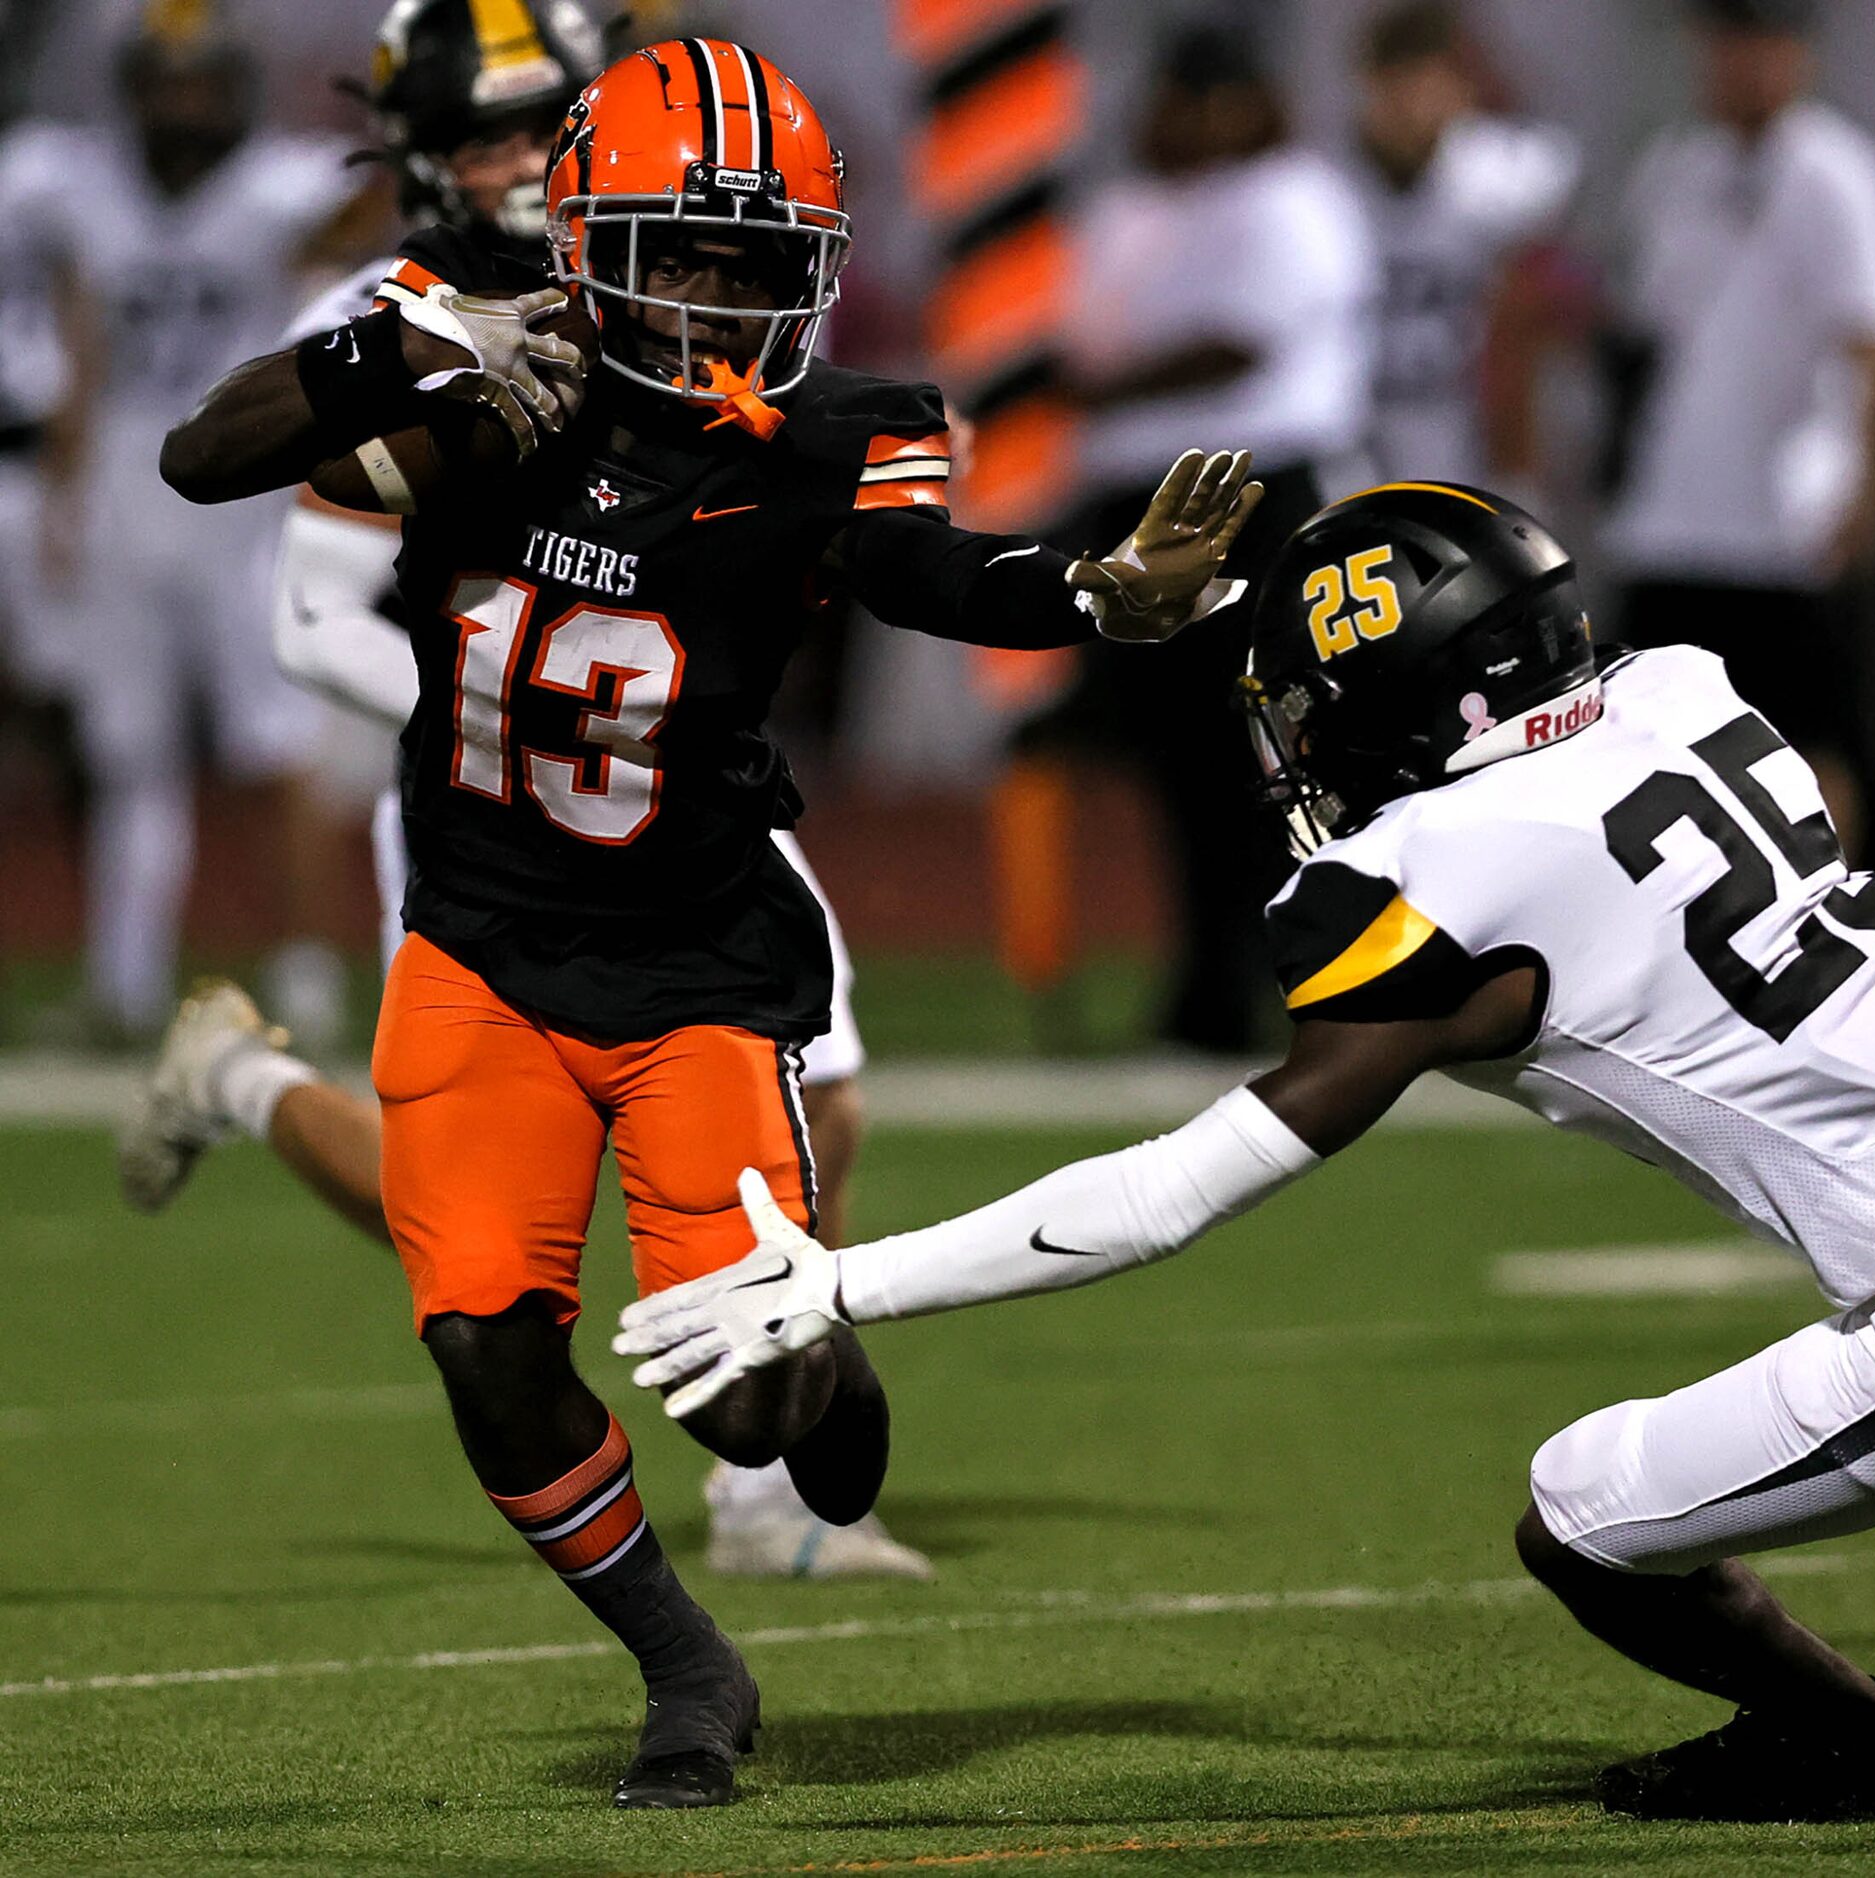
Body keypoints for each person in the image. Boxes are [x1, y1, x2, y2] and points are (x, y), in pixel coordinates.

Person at [619, 480, 1875, 1824]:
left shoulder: (1441, 882)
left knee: (1582, 1515)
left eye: (1312, 710)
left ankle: (1838, 1746)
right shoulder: (1683, 691)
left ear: (1391, 707)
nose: (1296, 748)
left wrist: (850, 1278)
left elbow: (1186, 1188)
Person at [160, 36, 1259, 1806]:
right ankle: (684, 1663)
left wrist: (1091, 589)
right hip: (482, 950)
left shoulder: (846, 431)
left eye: (758, 261)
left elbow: (928, 573)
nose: (721, 294)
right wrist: (401, 343)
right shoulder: (494, 382)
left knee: (744, 1401)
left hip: (697, 968)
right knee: (488, 1354)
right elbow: (201, 454)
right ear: (588, 235)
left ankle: (823, 1386)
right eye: (683, 250)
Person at [115, 0, 925, 1584]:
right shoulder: (412, 305)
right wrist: (554, 720)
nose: (506, 159)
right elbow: (306, 613)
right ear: (419, 155)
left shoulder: (665, 263)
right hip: (498, 797)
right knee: (474, 1226)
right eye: (475, 136)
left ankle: (760, 1462)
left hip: (671, 803)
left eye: (532, 120)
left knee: (813, 1084)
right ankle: (249, 1083)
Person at [0, 0, 370, 1044]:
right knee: (130, 758)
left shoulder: (278, 190)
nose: (183, 107)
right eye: (166, 87)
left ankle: (306, 989)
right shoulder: (84, 189)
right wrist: (67, 498)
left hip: (242, 499)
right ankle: (123, 986)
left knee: (278, 746)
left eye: (201, 85)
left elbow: (353, 245)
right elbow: (83, 347)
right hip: (124, 494)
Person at [1050, 20, 1377, 1054]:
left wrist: (1096, 383)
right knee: (1176, 760)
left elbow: (1243, 341)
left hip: (1249, 490)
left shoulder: (1293, 198)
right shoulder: (1142, 205)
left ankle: (1286, 972)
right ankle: (1208, 984)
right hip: (1146, 498)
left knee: (1262, 753)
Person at [1602, 0, 1875, 859]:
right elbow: (1644, 324)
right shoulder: (1675, 164)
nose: (1738, 63)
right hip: (1675, 512)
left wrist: (1869, 485)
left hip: (1787, 517)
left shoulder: (1837, 170)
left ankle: (1826, 932)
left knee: (1810, 742)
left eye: (1759, 43)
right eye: (1724, 41)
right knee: (1650, 744)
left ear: (1796, 54)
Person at [1350, 1, 1578, 491]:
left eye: (1427, 82)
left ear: (1462, 88)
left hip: (1472, 438)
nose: (1412, 103)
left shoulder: (1498, 173)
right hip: (1364, 443)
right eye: (1397, 84)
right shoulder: (1334, 187)